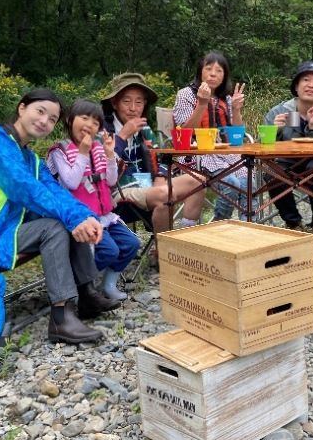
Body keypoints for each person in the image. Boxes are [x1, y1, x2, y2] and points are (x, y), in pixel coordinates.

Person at [0, 89, 121, 344]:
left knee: (67, 219)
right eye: (40, 111)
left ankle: (86, 295)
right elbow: (23, 188)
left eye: (52, 119)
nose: (44, 121)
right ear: (22, 108)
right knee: (55, 226)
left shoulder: (30, 158)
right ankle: (61, 317)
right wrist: (74, 219)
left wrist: (85, 216)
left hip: (6, 230)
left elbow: (53, 190)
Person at [47, 99, 141, 301]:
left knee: (131, 243)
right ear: (70, 120)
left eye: (95, 122)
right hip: (81, 217)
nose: (89, 125)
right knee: (109, 250)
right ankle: (77, 284)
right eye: (84, 118)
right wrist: (82, 152)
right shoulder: (60, 151)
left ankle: (108, 285)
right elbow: (72, 182)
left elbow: (111, 180)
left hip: (104, 215)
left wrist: (109, 155)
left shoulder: (98, 148)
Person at [101, 73, 207, 235]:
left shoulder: (144, 128)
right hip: (118, 192)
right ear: (115, 103)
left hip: (149, 186)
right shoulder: (103, 130)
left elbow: (161, 157)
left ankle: (184, 236)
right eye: (126, 101)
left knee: (199, 180)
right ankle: (163, 247)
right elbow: (102, 167)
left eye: (139, 102)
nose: (133, 108)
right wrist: (122, 136)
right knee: (165, 195)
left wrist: (160, 177)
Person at [263, 61, 313, 244]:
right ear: (296, 86)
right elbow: (263, 148)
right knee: (271, 171)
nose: (311, 85)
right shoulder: (280, 111)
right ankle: (293, 223)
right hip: (287, 162)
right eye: (305, 80)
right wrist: (275, 131)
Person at [173, 51, 254, 220]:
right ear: (200, 72)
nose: (213, 74)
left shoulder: (226, 98)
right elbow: (184, 134)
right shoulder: (186, 94)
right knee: (230, 183)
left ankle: (249, 227)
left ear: (224, 76)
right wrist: (202, 104)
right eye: (208, 69)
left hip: (226, 154)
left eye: (219, 71)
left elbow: (237, 137)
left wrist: (236, 110)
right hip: (196, 155)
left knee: (248, 181)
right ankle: (218, 225)